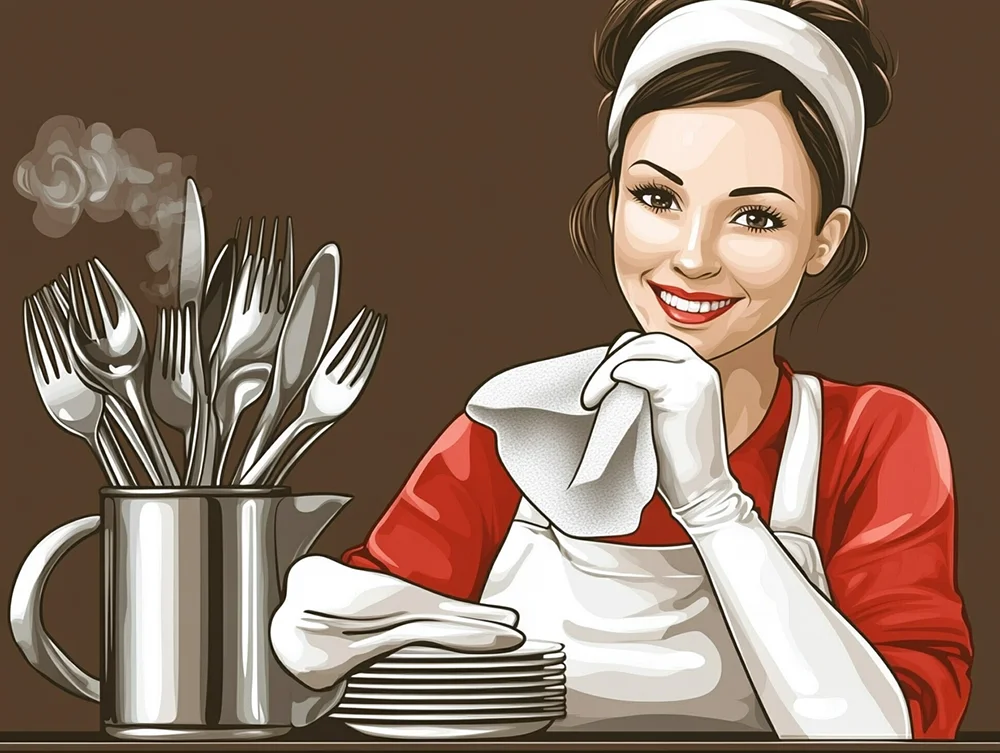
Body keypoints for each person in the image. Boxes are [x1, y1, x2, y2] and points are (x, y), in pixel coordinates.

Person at [270, 0, 973, 740]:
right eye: (658, 198)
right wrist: (329, 638)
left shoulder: (874, 440)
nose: (693, 256)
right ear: (612, 206)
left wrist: (711, 501)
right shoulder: (515, 423)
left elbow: (894, 731)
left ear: (824, 241)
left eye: (756, 216)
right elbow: (387, 662)